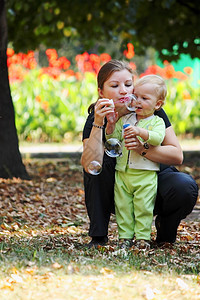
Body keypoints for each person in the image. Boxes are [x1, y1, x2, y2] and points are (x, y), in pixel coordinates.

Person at [81, 59, 198, 248]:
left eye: (128, 85)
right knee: (99, 167)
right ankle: (98, 236)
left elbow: (177, 155)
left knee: (184, 186)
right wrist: (98, 123)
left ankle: (165, 231)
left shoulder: (150, 109)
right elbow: (89, 163)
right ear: (101, 92)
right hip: (119, 187)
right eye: (115, 85)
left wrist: (142, 149)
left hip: (153, 177)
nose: (124, 91)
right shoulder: (96, 116)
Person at [105, 74, 167, 249]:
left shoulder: (157, 121)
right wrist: (111, 126)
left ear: (158, 104)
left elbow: (157, 138)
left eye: (144, 98)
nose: (137, 101)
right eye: (136, 96)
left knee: (143, 208)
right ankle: (124, 238)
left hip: (145, 174)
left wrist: (140, 132)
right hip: (123, 172)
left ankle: (142, 238)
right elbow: (114, 139)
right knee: (123, 207)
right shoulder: (125, 119)